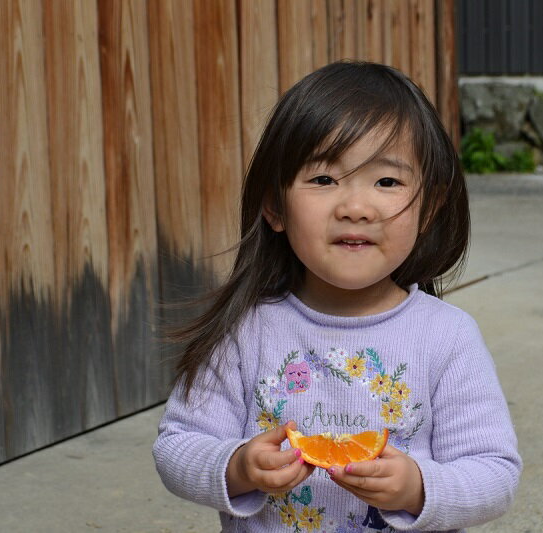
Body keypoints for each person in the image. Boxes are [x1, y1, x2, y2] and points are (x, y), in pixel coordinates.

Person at [153, 60, 521, 532]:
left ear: (428, 206)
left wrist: (417, 487)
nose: (355, 208)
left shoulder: (446, 337)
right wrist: (236, 466)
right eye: (324, 180)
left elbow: (494, 473)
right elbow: (177, 445)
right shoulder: (246, 330)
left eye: (387, 181)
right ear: (274, 206)